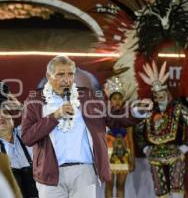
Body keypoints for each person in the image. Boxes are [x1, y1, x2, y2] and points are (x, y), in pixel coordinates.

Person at [21, 55, 151, 198]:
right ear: (49, 76)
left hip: (84, 172)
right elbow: (27, 137)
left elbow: (115, 117)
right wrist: (55, 116)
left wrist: (137, 111)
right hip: (50, 174)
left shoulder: (90, 97)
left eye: (70, 74)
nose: (67, 79)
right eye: (60, 74)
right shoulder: (35, 101)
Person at [136, 61, 188, 198]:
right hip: (154, 155)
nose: (159, 100)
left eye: (161, 95)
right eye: (156, 96)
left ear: (167, 93)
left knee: (176, 189)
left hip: (175, 153)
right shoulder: (149, 112)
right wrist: (144, 148)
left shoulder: (178, 109)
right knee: (160, 191)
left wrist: (186, 146)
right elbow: (139, 131)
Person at [0, 109, 38, 198]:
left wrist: (20, 107)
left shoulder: (23, 132)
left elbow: (36, 118)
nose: (1, 117)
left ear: (12, 121)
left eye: (5, 115)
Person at [103, 77, 135, 198]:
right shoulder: (104, 116)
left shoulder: (128, 116)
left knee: (120, 186)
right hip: (108, 154)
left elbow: (131, 140)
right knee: (109, 185)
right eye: (114, 98)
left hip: (123, 154)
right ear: (110, 100)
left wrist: (132, 159)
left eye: (120, 98)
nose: (117, 101)